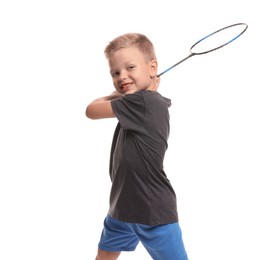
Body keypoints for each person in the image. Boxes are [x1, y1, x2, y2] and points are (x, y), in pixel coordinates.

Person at [86, 33, 188, 260]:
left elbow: (91, 110)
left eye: (130, 67)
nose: (122, 77)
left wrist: (114, 94)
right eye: (115, 73)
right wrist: (133, 87)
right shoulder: (141, 101)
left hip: (154, 212)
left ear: (153, 68)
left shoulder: (142, 102)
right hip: (121, 210)